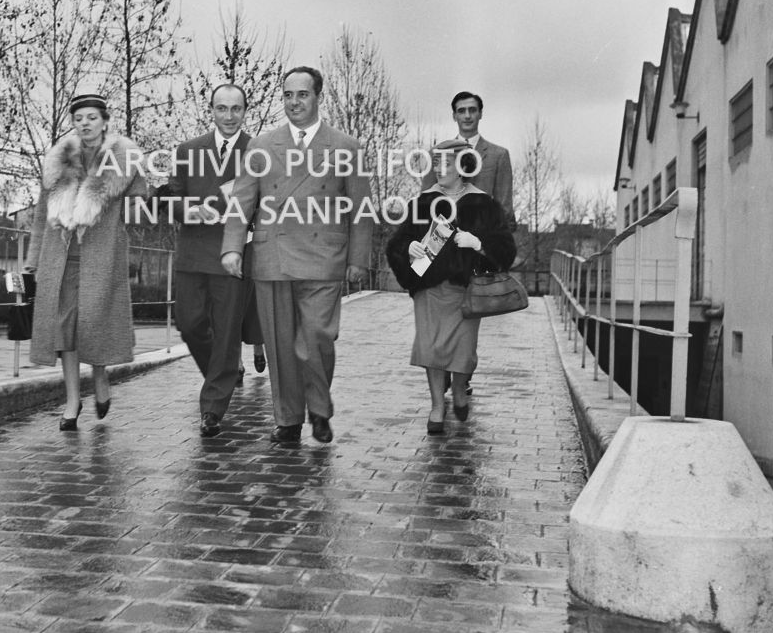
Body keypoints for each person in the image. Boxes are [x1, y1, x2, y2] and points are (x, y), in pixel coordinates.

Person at [220, 66, 374, 445]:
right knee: (278, 342)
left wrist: (359, 258)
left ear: (318, 97)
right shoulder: (261, 146)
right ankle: (288, 418)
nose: (294, 102)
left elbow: (362, 208)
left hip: (324, 256)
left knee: (317, 338)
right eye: (288, 95)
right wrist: (232, 247)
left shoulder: (346, 147)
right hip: (273, 257)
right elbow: (242, 202)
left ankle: (318, 409)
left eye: (302, 94)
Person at [24, 92, 147, 431]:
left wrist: (136, 204)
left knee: (94, 325)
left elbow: (143, 205)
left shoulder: (124, 159)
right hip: (60, 258)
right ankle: (73, 401)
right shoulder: (58, 161)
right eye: (79, 119)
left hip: (101, 257)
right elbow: (39, 215)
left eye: (92, 117)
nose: (85, 124)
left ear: (105, 121)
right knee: (65, 331)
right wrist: (31, 262)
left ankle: (101, 377)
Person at [386, 140, 516, 434]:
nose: (440, 168)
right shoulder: (422, 202)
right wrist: (410, 248)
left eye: (447, 163)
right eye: (437, 163)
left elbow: (506, 249)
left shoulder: (484, 203)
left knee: (463, 351)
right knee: (430, 347)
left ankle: (459, 388)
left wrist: (479, 244)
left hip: (466, 290)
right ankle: (436, 406)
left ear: (463, 166)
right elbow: (395, 243)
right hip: (428, 288)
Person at [158, 83, 258, 438]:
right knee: (189, 323)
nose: (229, 116)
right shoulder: (188, 150)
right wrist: (190, 209)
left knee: (227, 331)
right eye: (221, 108)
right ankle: (226, 371)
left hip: (234, 257)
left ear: (246, 111)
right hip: (192, 253)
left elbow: (271, 203)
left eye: (236, 109)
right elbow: (169, 199)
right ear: (211, 111)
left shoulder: (258, 152)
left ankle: (212, 409)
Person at [421, 91, 515, 228]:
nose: (467, 116)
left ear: (480, 114)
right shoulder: (436, 154)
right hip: (443, 240)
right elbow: (424, 204)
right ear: (454, 116)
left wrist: (486, 242)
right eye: (461, 111)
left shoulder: (499, 156)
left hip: (482, 240)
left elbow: (504, 208)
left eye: (472, 110)